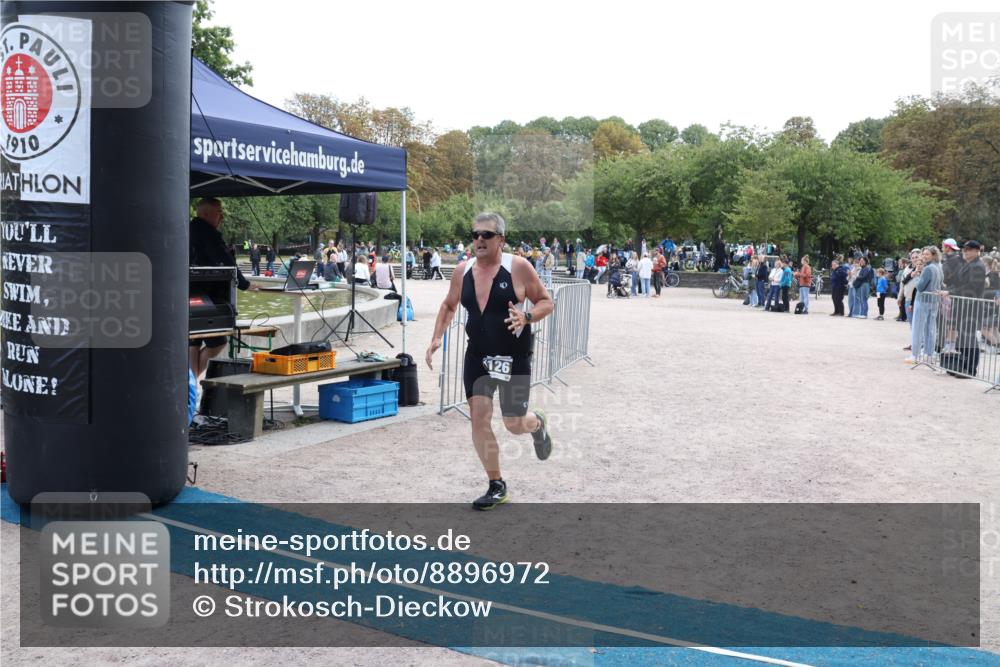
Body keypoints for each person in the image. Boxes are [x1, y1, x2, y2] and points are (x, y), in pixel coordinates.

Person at [425, 212, 554, 510]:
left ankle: (537, 425)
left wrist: (527, 315)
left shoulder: (518, 267)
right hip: (478, 356)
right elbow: (449, 304)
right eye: (475, 235)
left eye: (487, 235)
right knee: (479, 417)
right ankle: (496, 484)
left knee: (513, 424)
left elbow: (547, 301)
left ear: (501, 240)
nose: (479, 240)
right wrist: (436, 337)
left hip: (514, 356)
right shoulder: (462, 271)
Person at [188, 197, 255, 380]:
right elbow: (227, 261)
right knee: (217, 342)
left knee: (193, 343)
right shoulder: (208, 233)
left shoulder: (187, 229)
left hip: (189, 295)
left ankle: (189, 389)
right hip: (208, 298)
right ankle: (191, 383)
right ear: (206, 213)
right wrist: (245, 284)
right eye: (219, 213)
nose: (221, 217)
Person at [907, 246, 944, 363]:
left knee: (918, 328)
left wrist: (917, 276)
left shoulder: (928, 268)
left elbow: (920, 286)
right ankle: (929, 354)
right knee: (930, 328)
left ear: (933, 255)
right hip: (934, 301)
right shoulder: (939, 267)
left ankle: (915, 355)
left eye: (927, 254)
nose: (924, 256)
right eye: (923, 254)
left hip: (922, 300)